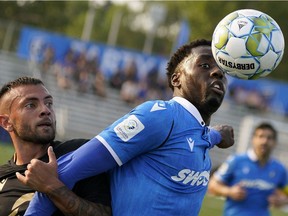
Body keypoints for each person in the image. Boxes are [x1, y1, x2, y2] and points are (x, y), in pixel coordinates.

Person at [18, 39, 235, 216]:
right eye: (205, 65)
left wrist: (219, 134)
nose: (217, 73)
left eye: (222, 71)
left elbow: (206, 135)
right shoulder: (160, 115)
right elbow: (64, 172)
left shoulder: (200, 133)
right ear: (176, 79)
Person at [0, 77, 111, 216]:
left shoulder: (78, 153)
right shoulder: (2, 176)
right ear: (6, 122)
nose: (45, 110)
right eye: (30, 105)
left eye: (49, 103)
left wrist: (51, 186)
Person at [208, 122, 288, 216]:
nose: (264, 141)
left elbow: (286, 194)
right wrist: (229, 191)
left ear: (275, 142)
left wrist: (283, 200)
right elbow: (212, 185)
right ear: (253, 139)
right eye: (260, 136)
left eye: (269, 138)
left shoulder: (279, 169)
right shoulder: (236, 161)